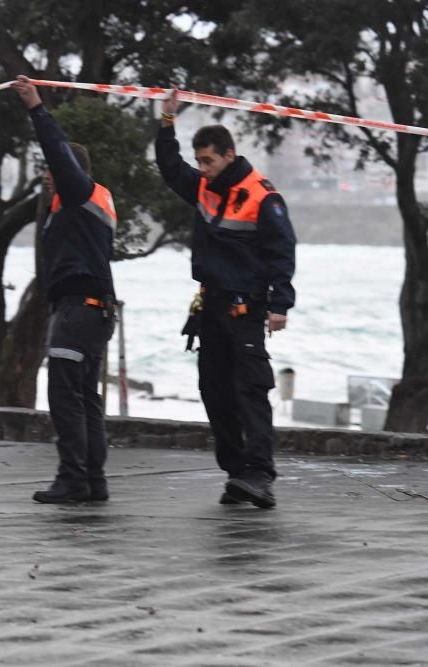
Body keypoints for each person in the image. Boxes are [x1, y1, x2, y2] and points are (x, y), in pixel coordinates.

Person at [155, 93, 297, 509]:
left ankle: (260, 475)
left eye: (208, 161)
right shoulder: (203, 187)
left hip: (246, 307)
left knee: (250, 390)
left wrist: (280, 305)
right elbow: (168, 168)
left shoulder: (261, 197)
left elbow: (282, 251)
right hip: (211, 305)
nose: (201, 169)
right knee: (214, 390)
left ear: (229, 155)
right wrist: (166, 121)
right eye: (198, 161)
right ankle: (237, 473)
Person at [13, 75, 118, 504]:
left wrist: (36, 107)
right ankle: (93, 480)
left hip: (78, 312)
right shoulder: (90, 206)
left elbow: (56, 151)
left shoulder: (79, 195)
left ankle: (73, 478)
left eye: (51, 173)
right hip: (95, 311)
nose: (47, 179)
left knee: (64, 396)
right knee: (85, 397)